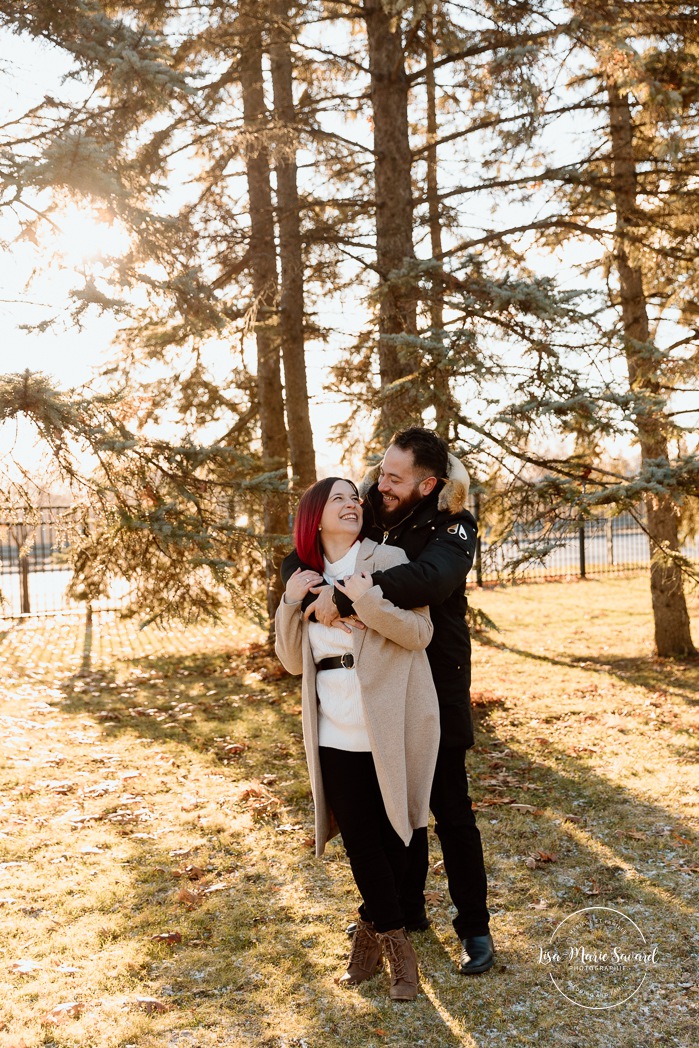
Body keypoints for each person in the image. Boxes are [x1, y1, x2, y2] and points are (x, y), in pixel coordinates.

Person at [282, 428, 494, 975]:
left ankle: (474, 927)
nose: (380, 484)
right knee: (393, 805)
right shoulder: (374, 507)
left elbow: (429, 578)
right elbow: (308, 551)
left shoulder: (454, 526)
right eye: (381, 470)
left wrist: (349, 593)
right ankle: (405, 910)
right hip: (378, 685)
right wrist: (310, 592)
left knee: (447, 808)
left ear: (429, 484)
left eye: (395, 477)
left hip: (434, 684)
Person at [274, 476, 440, 1001]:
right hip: (331, 727)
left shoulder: (387, 561)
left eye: (355, 497)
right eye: (337, 498)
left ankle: (376, 942)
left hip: (387, 719)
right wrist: (288, 602)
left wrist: (365, 604)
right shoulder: (303, 577)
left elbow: (419, 635)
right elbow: (288, 661)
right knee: (363, 844)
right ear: (314, 516)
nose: (352, 504)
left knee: (395, 838)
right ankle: (398, 955)